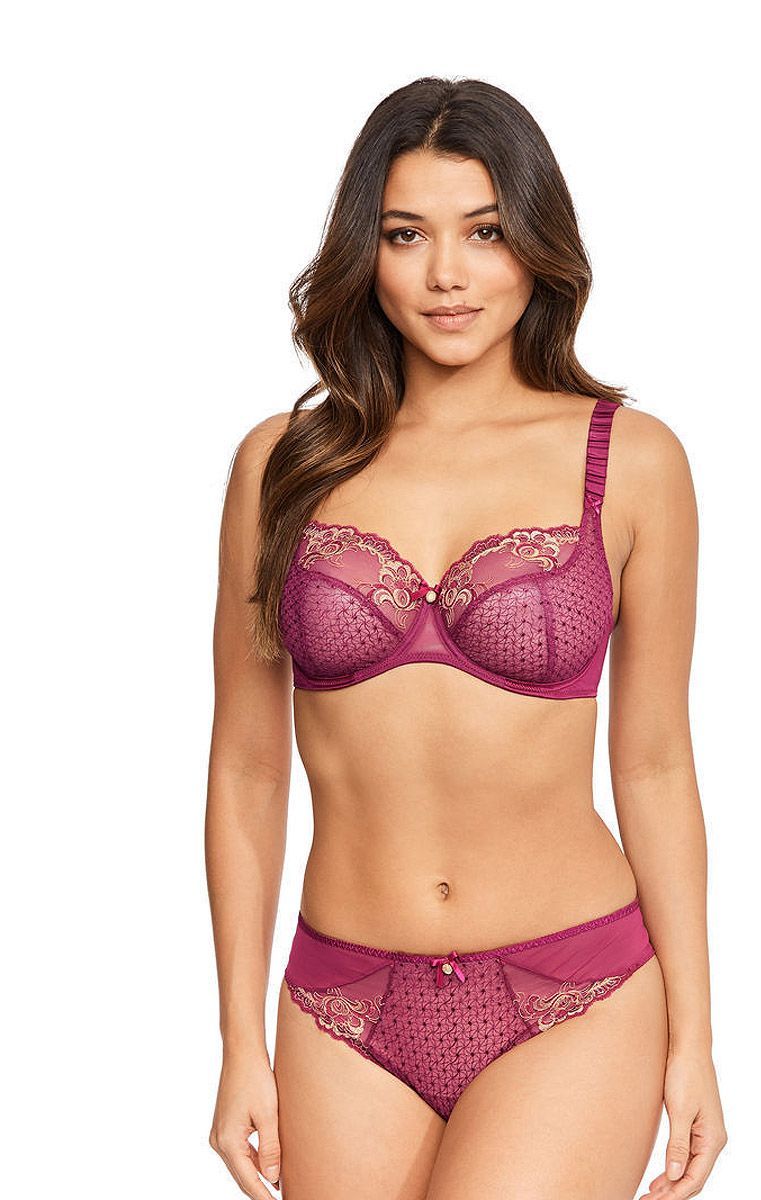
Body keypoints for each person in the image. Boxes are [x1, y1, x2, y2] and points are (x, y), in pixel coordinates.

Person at [206, 76, 727, 1200]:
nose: (447, 274)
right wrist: (239, 1041)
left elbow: (654, 764)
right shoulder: (281, 466)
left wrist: (695, 1040)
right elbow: (247, 769)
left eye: (485, 232)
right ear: (366, 251)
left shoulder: (631, 462)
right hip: (340, 1008)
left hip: (574, 993)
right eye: (407, 234)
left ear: (537, 245)